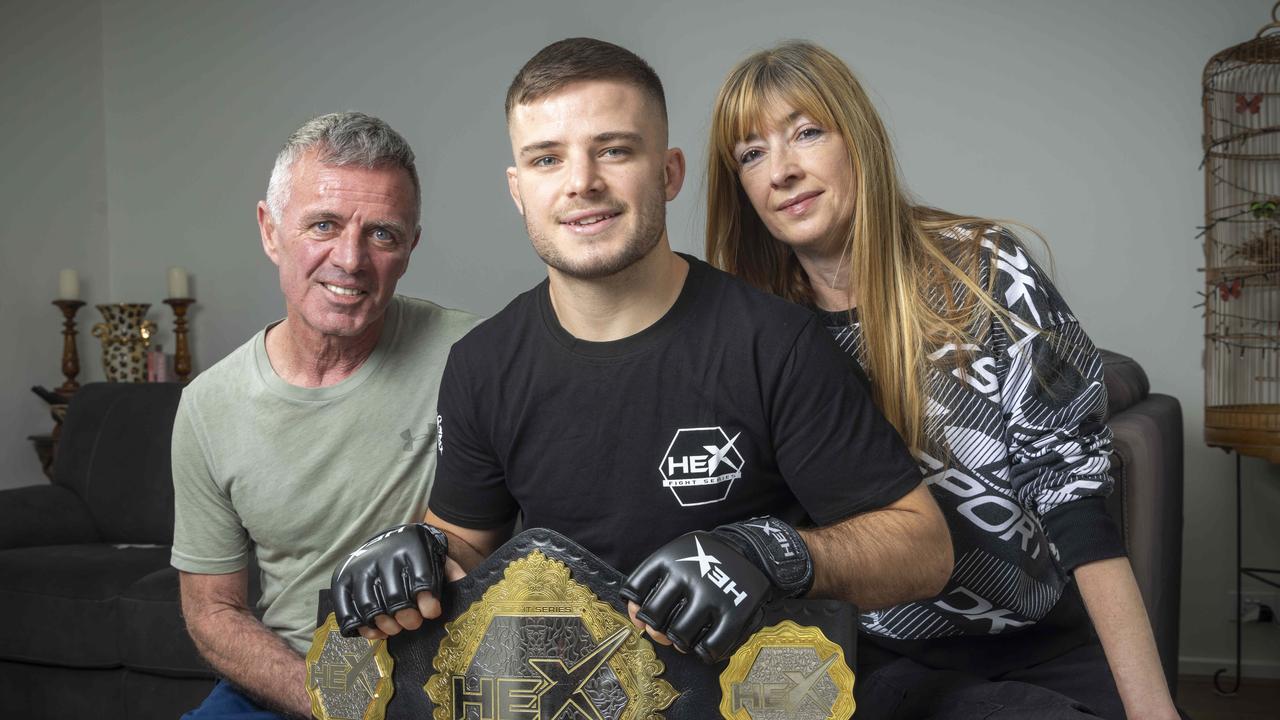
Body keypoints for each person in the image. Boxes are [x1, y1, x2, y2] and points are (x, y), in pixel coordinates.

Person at [330, 37, 953, 668]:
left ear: (669, 172)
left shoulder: (774, 342)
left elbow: (922, 548)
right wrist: (421, 555)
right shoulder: (481, 365)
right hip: (565, 692)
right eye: (547, 159)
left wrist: (772, 553)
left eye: (615, 150)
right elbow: (466, 540)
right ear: (518, 190)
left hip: (750, 698)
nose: (582, 183)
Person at [704, 41, 1177, 719]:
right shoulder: (757, 328)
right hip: (865, 660)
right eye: (751, 154)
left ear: (856, 140)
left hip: (1040, 641)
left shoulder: (982, 272)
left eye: (807, 133)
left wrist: (1152, 708)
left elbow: (1074, 497)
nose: (782, 171)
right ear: (741, 186)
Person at [170, 112, 478, 719]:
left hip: (441, 680)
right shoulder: (208, 405)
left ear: (411, 248)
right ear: (270, 229)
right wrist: (326, 701)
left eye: (383, 234)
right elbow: (212, 612)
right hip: (293, 682)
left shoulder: (474, 357)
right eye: (323, 225)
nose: (351, 259)